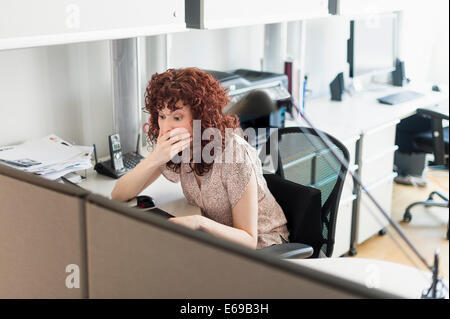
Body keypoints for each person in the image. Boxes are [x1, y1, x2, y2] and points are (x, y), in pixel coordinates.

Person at [111, 67, 289, 249]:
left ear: (201, 117)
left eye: (177, 117)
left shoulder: (234, 155)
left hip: (266, 249)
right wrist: (154, 158)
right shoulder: (180, 147)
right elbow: (118, 194)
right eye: (162, 116)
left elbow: (249, 239)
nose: (166, 127)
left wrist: (200, 223)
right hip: (220, 242)